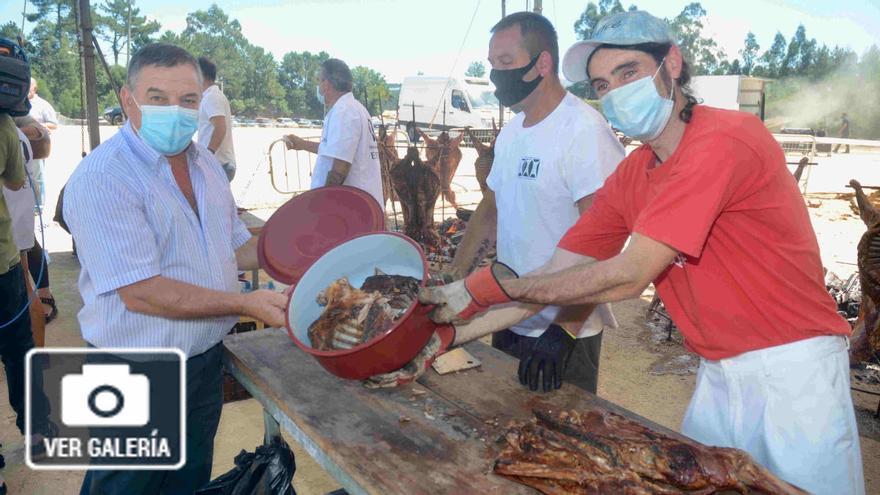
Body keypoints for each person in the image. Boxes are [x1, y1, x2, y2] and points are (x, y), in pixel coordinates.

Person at [412, 10, 864, 495]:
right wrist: (450, 331)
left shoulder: (724, 140)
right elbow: (559, 272)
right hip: (716, 371)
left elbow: (630, 275)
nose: (615, 92)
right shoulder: (636, 173)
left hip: (794, 371)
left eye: (628, 72)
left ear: (671, 63)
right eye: (603, 84)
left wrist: (491, 288)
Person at [63, 43, 288, 495]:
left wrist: (294, 245)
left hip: (203, 362)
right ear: (129, 100)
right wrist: (245, 303)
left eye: (188, 100)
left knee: (187, 482)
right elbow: (141, 291)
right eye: (157, 97)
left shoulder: (205, 165)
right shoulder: (103, 178)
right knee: (124, 486)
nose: (175, 111)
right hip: (135, 368)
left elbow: (234, 248)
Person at [442, 12, 623, 394]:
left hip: (562, 329)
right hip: (505, 316)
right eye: (492, 64)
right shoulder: (511, 133)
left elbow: (605, 245)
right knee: (502, 426)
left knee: (561, 446)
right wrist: (453, 274)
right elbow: (490, 208)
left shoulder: (584, 132)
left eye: (506, 63)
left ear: (542, 63)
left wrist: (564, 332)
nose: (496, 75)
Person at [0, 38, 52, 495]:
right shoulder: (5, 128)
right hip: (6, 261)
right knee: (20, 348)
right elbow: (17, 179)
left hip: (13, 251)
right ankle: (37, 430)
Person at [283, 59, 384, 209]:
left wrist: (325, 203)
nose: (318, 86)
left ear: (326, 84)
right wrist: (302, 144)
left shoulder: (344, 111)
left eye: (319, 81)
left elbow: (341, 165)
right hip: (356, 204)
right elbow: (336, 150)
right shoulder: (352, 108)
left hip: (349, 207)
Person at [197, 57, 237, 181]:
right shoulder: (209, 96)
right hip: (218, 164)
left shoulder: (212, 97)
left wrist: (208, 154)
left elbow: (220, 127)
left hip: (218, 164)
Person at [26, 77, 57, 209]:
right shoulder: (19, 103)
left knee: (37, 176)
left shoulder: (43, 105)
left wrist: (38, 127)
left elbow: (54, 125)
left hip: (37, 146)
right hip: (21, 144)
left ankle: (38, 204)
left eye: (29, 85)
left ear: (35, 88)